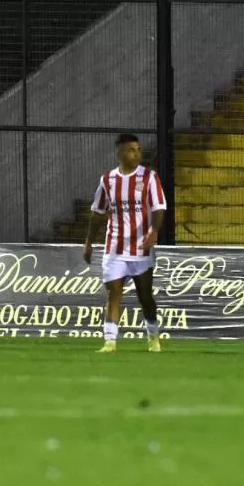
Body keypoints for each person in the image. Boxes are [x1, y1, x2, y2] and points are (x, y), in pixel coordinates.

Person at [84, 134, 168, 353]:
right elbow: (97, 213)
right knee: (114, 293)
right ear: (120, 153)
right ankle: (110, 341)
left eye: (138, 149)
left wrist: (154, 230)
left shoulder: (149, 177)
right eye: (131, 150)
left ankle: (153, 337)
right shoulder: (108, 180)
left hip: (142, 248)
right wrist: (88, 242)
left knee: (145, 296)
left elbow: (159, 207)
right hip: (114, 248)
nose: (137, 154)